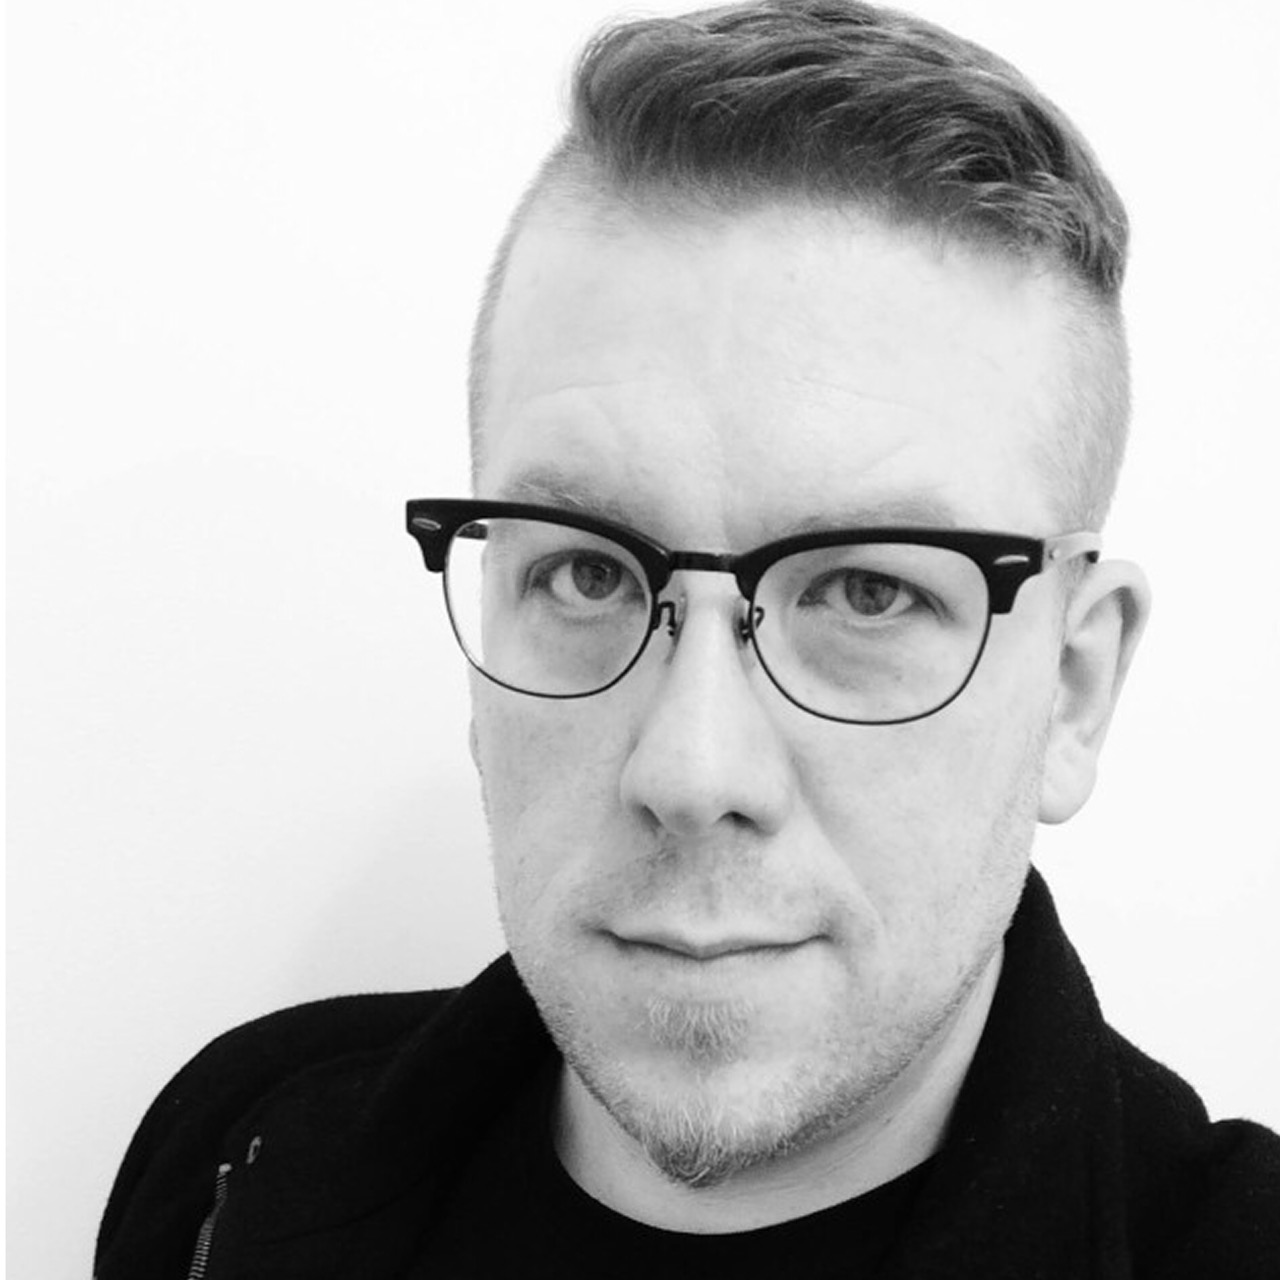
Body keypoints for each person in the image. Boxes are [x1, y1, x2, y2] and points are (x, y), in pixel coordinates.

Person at [94, 1, 1280, 1276]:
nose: (690, 769)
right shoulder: (235, 1148)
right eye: (587, 571)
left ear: (1071, 688)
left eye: (867, 593)